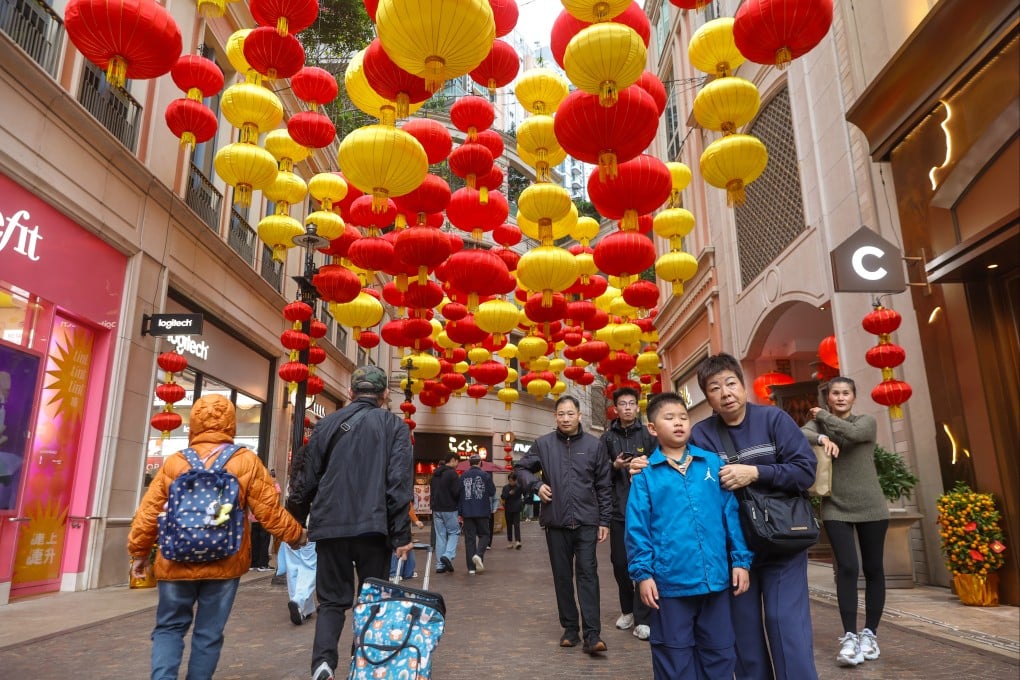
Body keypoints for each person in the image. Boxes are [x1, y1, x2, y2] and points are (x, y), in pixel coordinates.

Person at [128, 394, 307, 680]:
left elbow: (148, 513)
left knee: (169, 628)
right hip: (225, 560)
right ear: (231, 423)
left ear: (195, 423)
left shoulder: (175, 463)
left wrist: (139, 554)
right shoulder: (245, 461)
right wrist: (297, 536)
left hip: (175, 560)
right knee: (208, 633)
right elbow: (269, 511)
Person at [686, 353, 818, 680]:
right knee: (743, 637)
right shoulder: (700, 436)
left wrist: (755, 472)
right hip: (733, 551)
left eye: (731, 383)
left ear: (744, 387)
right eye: (715, 388)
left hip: (782, 541)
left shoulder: (774, 420)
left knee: (786, 627)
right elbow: (689, 486)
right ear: (708, 398)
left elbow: (805, 471)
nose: (726, 392)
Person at [286, 365, 414, 680]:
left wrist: (296, 522)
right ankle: (364, 664)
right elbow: (398, 483)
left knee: (331, 600)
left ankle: (323, 664)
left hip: (330, 526)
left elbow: (304, 478)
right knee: (371, 600)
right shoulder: (394, 426)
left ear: (350, 392)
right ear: (385, 394)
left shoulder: (326, 425)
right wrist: (401, 535)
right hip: (374, 528)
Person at [626, 392, 752, 679]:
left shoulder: (710, 463)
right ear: (653, 428)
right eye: (669, 418)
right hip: (670, 585)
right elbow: (637, 528)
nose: (679, 423)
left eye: (683, 417)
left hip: (716, 580)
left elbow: (730, 515)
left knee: (720, 654)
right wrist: (643, 574)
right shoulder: (645, 474)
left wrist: (741, 561)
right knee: (674, 657)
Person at [515, 395, 612, 655]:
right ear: (555, 417)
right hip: (556, 521)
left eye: (570, 413)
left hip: (587, 522)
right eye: (561, 414)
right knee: (562, 577)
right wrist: (536, 485)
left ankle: (592, 634)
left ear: (579, 415)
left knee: (588, 575)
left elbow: (604, 485)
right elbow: (520, 469)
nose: (565, 418)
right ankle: (570, 629)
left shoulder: (594, 445)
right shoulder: (543, 445)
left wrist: (604, 520)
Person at [801, 377, 887, 667]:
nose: (840, 397)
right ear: (829, 397)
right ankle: (850, 636)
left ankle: (870, 635)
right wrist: (822, 437)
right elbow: (801, 434)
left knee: (874, 568)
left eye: (845, 393)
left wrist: (822, 416)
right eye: (835, 393)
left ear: (853, 397)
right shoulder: (820, 427)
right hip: (835, 506)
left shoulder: (866, 421)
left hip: (872, 506)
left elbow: (851, 435)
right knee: (848, 567)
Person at [601, 386, 656, 640]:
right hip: (618, 509)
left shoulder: (648, 434)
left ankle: (643, 617)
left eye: (631, 403)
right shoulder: (607, 438)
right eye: (622, 403)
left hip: (646, 510)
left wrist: (643, 466)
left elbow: (660, 464)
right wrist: (615, 465)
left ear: (637, 407)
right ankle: (627, 610)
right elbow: (599, 473)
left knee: (643, 562)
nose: (626, 408)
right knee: (620, 564)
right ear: (615, 408)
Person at [281, 443, 317, 626]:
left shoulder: (292, 479)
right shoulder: (317, 476)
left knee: (294, 566)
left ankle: (305, 608)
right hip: (309, 523)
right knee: (310, 565)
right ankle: (300, 601)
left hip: (290, 522)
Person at [460, 453, 496, 574]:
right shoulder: (485, 475)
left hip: (467, 512)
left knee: (469, 539)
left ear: (469, 463)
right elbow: (492, 492)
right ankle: (479, 555)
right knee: (485, 535)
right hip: (482, 510)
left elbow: (458, 495)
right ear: (480, 463)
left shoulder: (463, 476)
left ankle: (471, 568)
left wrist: (460, 511)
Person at [430, 452, 462, 574]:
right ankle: (447, 556)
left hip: (436, 509)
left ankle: (439, 565)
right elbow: (456, 492)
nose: (458, 464)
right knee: (454, 532)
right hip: (449, 508)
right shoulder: (452, 474)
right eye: (457, 461)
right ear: (453, 460)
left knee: (440, 536)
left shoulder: (435, 474)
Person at [389, 504, 424, 579]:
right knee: (407, 545)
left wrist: (416, 520)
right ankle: (408, 572)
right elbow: (408, 505)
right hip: (403, 523)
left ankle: (395, 573)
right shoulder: (404, 494)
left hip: (396, 523)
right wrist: (416, 521)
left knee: (396, 547)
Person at [501, 471, 524, 548]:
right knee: (509, 525)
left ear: (515, 480)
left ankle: (518, 541)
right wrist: (508, 494)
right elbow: (503, 497)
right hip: (508, 508)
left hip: (516, 508)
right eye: (509, 480)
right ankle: (510, 542)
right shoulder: (505, 487)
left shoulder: (519, 487)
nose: (510, 482)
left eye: (512, 480)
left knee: (517, 525)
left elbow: (524, 494)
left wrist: (522, 503)